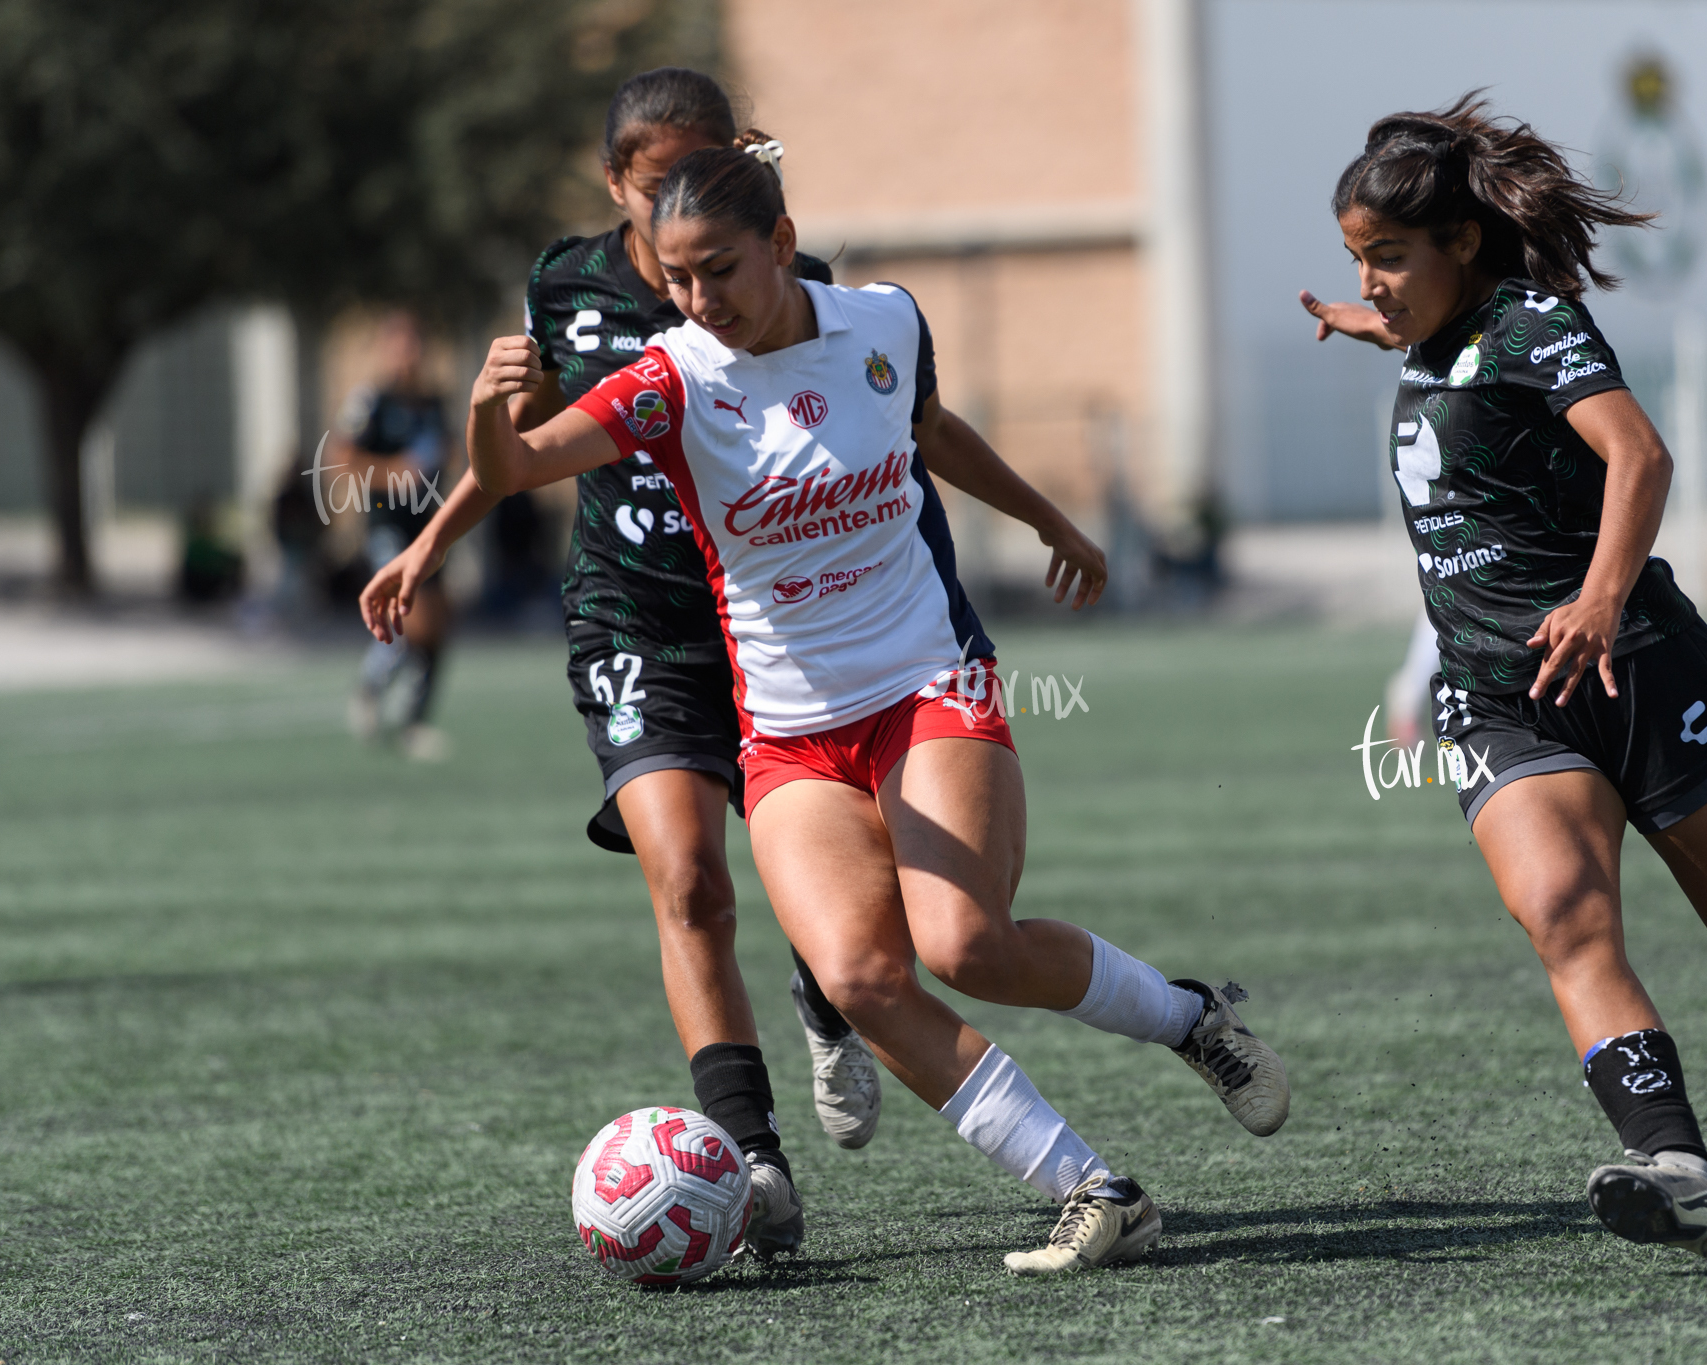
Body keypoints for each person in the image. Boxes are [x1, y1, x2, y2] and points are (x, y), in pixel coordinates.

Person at [462, 144, 1292, 1274]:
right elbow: (515, 468)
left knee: (968, 946)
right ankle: (1097, 1193)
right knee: (857, 977)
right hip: (789, 734)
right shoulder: (670, 377)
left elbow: (931, 432)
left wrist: (1051, 521)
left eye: (720, 270)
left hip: (925, 684)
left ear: (781, 243)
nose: (700, 300)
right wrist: (485, 413)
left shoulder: (884, 323)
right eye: (677, 278)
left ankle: (1187, 1017)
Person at [1302, 95, 1707, 1262]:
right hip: (1501, 694)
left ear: (1461, 242)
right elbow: (1434, 352)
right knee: (1562, 915)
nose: (1373, 283)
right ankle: (1676, 1167)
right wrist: (1378, 323)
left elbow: (1639, 454)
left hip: (1639, 671)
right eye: (1358, 260)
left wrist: (1601, 598)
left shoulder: (1526, 323)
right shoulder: (1427, 330)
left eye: (1390, 259)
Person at [359, 69, 875, 1257]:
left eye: (710, 171)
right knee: (688, 878)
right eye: (656, 185)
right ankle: (751, 1161)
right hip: (631, 619)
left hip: (774, 624)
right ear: (614, 186)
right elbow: (527, 449)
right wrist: (430, 547)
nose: (683, 204)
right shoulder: (565, 283)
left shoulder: (788, 288)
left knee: (827, 901)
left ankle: (825, 994)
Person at [338, 310, 454, 761]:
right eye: (398, 343)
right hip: (387, 524)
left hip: (429, 527)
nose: (407, 353)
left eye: (414, 342)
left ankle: (415, 721)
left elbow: (446, 454)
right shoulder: (372, 401)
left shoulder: (433, 402)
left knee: (439, 625)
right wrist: (393, 473)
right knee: (405, 621)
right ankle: (369, 690)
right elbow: (344, 458)